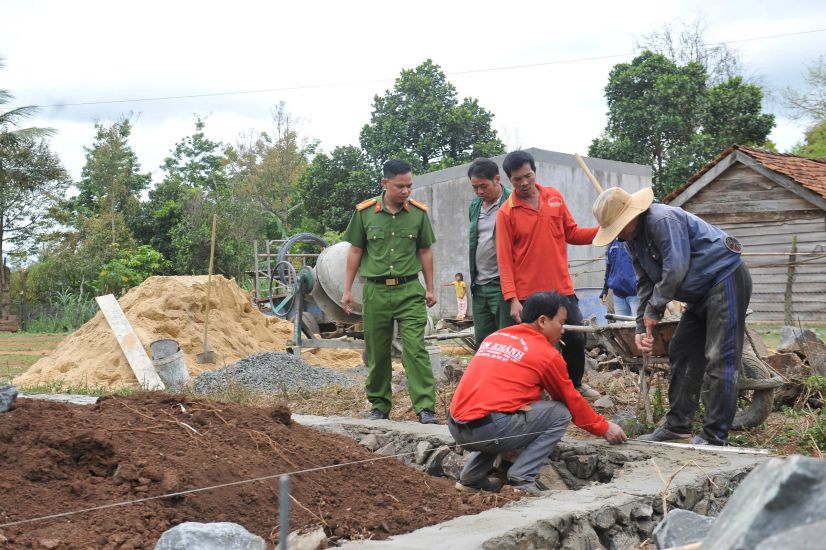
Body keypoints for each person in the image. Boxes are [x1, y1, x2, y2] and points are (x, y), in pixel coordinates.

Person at [592, 186, 752, 446]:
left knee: (719, 357)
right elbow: (644, 282)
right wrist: (640, 327)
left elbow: (676, 268)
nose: (618, 235)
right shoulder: (631, 241)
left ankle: (715, 436)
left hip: (725, 279)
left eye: (619, 227)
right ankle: (677, 427)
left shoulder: (662, 219)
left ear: (632, 215)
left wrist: (655, 309)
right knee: (682, 350)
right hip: (699, 293)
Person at [448, 292, 627, 493]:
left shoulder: (497, 336)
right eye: (561, 322)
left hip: (456, 426)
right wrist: (604, 427)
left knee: (501, 412)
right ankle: (523, 479)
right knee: (560, 413)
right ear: (542, 321)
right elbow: (571, 399)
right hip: (489, 430)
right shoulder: (546, 354)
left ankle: (471, 479)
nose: (563, 329)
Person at [495, 150, 601, 401]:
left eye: (527, 176)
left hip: (561, 288)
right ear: (509, 180)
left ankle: (575, 384)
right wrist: (512, 299)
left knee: (575, 336)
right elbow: (504, 259)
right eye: (517, 179)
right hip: (529, 293)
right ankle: (535, 393)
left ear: (535, 171)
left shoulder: (554, 197)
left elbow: (572, 233)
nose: (523, 183)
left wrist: (604, 230)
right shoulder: (506, 213)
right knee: (534, 346)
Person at [342, 159, 439, 425]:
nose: (406, 191)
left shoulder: (418, 214)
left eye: (409, 186)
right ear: (385, 183)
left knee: (415, 349)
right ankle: (379, 406)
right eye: (400, 186)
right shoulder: (365, 213)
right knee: (377, 351)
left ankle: (425, 408)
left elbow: (425, 251)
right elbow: (355, 251)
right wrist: (347, 290)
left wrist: (430, 288)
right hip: (376, 292)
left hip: (409, 290)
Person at [467, 158, 513, 346]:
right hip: (479, 286)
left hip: (501, 285)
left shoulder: (512, 202)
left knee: (506, 340)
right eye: (475, 187)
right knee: (484, 343)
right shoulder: (475, 206)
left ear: (497, 179)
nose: (479, 192)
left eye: (483, 186)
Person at [600, 238, 638, 318]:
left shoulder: (635, 239)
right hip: (618, 295)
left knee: (638, 326)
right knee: (621, 328)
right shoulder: (611, 244)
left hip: (636, 294)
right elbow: (609, 268)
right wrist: (605, 289)